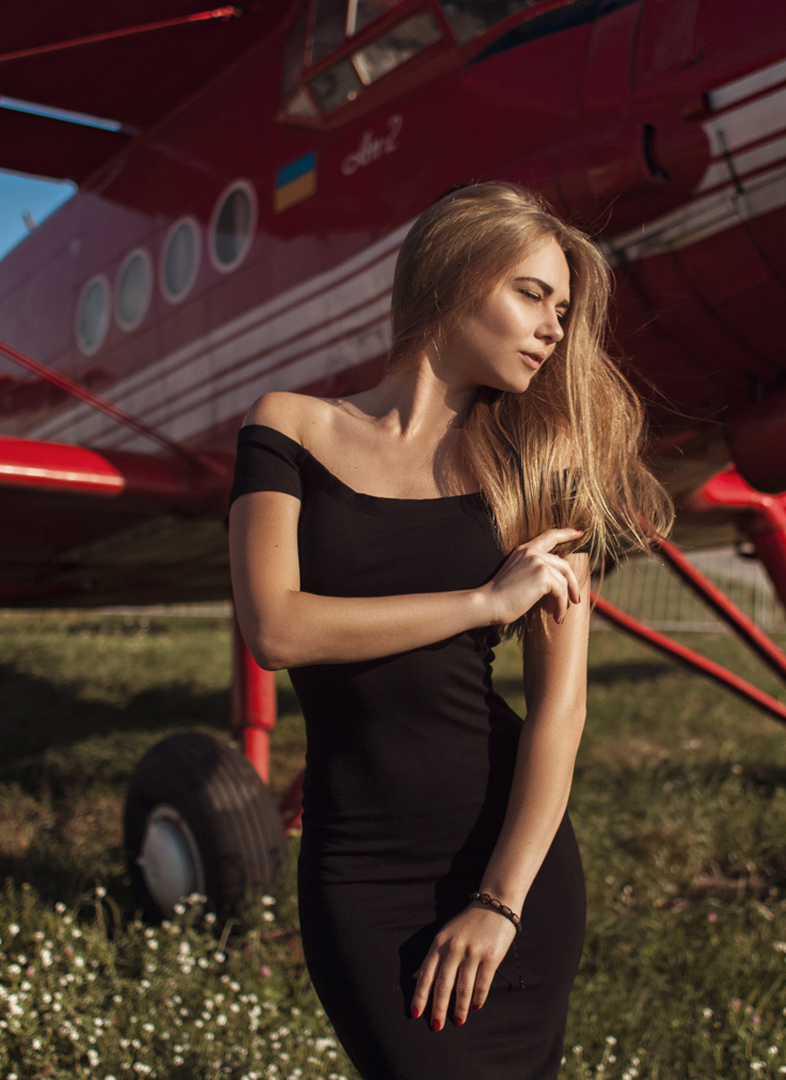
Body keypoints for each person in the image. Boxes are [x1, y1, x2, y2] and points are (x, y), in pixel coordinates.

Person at [226, 182, 671, 1079]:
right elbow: (277, 628)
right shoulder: (290, 430)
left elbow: (561, 714)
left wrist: (500, 903)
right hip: (358, 865)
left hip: (508, 865)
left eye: (563, 310)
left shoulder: (542, 475)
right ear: (453, 275)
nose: (552, 329)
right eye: (531, 295)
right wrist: (482, 604)